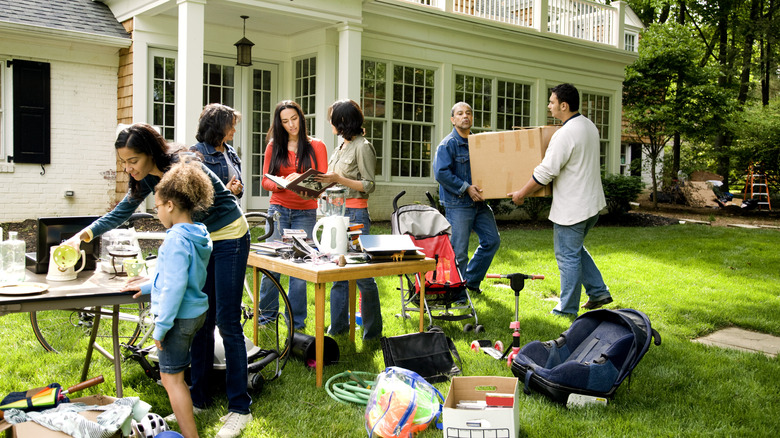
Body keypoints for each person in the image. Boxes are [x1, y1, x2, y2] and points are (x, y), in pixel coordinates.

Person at [68, 124, 252, 438]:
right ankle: (198, 398)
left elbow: (199, 210)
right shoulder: (145, 179)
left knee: (227, 320)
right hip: (201, 239)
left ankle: (239, 408)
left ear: (150, 153)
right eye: (124, 162)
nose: (128, 168)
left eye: (133, 160)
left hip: (229, 236)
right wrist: (82, 236)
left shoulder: (183, 166)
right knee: (202, 321)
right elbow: (121, 212)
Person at [122, 161, 214, 438]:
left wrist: (160, 327)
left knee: (171, 379)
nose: (157, 212)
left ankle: (190, 435)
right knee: (177, 375)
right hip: (196, 312)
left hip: (178, 317)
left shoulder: (175, 239)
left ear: (171, 205)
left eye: (157, 207)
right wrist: (151, 286)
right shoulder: (198, 234)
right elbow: (180, 276)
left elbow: (174, 287)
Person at [508, 83, 612, 317]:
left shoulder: (565, 133)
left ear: (563, 106)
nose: (549, 105)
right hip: (591, 205)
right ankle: (598, 292)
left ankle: (567, 309)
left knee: (567, 257)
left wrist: (521, 193)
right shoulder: (588, 126)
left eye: (552, 102)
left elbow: (546, 172)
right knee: (574, 251)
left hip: (573, 208)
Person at [314, 99, 382, 340]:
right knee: (337, 274)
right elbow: (335, 179)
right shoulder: (341, 146)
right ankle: (338, 328)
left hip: (355, 215)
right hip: (335, 214)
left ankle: (372, 332)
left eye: (332, 117)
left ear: (342, 120)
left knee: (363, 275)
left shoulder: (363, 147)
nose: (329, 121)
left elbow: (368, 185)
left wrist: (338, 179)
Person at [258, 100, 328, 329]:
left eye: (294, 119)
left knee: (300, 267)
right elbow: (265, 180)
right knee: (273, 263)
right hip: (278, 209)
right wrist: (282, 184)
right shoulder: (273, 146)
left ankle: (296, 323)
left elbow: (323, 179)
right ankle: (266, 317)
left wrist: (302, 180)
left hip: (305, 212)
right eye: (285, 121)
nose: (291, 125)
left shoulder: (316, 146)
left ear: (301, 117)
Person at [433, 102, 500, 299]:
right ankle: (457, 293)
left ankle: (470, 281)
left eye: (468, 113)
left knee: (492, 240)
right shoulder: (447, 145)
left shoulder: (478, 143)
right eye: (460, 114)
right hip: (458, 203)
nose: (465, 116)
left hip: (479, 203)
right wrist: (465, 188)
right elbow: (441, 173)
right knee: (459, 251)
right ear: (453, 120)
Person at [191, 103, 244, 198]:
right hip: (212, 212)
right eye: (231, 126)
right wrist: (225, 191)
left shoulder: (231, 152)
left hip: (232, 211)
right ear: (218, 127)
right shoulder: (197, 152)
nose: (234, 130)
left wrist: (238, 189)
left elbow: (241, 190)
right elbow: (193, 192)